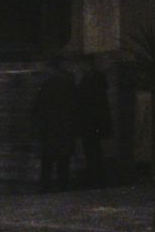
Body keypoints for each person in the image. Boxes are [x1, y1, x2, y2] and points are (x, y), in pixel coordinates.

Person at [31, 57, 77, 192]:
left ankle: (46, 184)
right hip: (63, 124)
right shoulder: (68, 83)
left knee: (48, 159)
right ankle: (63, 183)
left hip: (50, 126)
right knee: (63, 158)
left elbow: (39, 106)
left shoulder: (46, 85)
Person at [75, 59, 113, 187]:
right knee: (95, 149)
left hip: (89, 122)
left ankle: (94, 176)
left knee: (91, 149)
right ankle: (98, 175)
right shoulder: (98, 81)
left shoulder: (88, 80)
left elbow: (83, 101)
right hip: (95, 122)